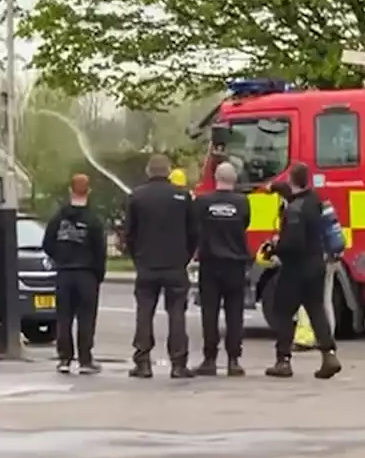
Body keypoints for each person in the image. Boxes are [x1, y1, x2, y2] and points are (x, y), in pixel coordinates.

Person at [265, 162, 343, 379]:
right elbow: (290, 192)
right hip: (316, 265)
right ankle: (329, 355)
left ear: (292, 180)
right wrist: (273, 187)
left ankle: (283, 361)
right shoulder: (314, 200)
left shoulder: (295, 210)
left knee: (281, 313)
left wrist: (274, 248)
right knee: (316, 310)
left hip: (295, 270)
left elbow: (294, 243)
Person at [123, 154, 198, 378]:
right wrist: (184, 257)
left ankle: (143, 362)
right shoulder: (183, 197)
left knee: (144, 312)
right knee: (177, 313)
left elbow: (129, 234)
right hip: (175, 265)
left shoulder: (136, 196)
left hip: (147, 264)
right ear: (168, 172)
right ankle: (178, 363)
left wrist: (138, 258)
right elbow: (194, 233)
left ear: (148, 171)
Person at [42, 174, 106, 374]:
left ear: (70, 191)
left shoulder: (58, 218)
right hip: (86, 274)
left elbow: (47, 244)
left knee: (64, 317)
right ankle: (85, 360)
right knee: (86, 318)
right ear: (89, 192)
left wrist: (60, 258)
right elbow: (100, 250)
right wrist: (98, 274)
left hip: (64, 274)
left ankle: (64, 359)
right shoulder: (94, 220)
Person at [191, 162, 251, 376]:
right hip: (235, 264)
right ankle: (234, 360)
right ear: (234, 180)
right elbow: (244, 224)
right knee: (235, 314)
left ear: (216, 178)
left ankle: (209, 360)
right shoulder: (242, 202)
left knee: (210, 313)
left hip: (210, 264)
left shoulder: (202, 202)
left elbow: (195, 227)